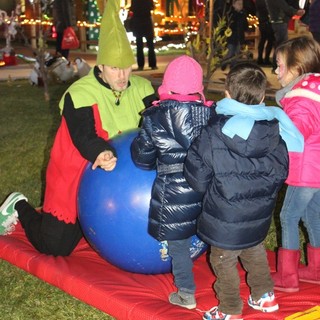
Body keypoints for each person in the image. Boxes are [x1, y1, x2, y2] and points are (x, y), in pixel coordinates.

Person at [0, 0, 156, 255]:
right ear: (102, 66)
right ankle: (19, 205)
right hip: (76, 172)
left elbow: (157, 121)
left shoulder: (143, 88)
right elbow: (84, 135)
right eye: (115, 68)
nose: (122, 76)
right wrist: (101, 153)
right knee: (54, 246)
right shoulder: (80, 93)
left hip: (126, 179)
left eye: (126, 68)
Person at [184, 62, 304, 320]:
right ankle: (264, 296)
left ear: (227, 94)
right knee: (253, 249)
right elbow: (282, 170)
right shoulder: (275, 130)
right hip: (258, 212)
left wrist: (209, 192)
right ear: (262, 96)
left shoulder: (214, 132)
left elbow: (196, 170)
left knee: (223, 259)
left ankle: (229, 309)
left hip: (224, 215)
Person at [130, 55, 215, 310]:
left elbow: (142, 159)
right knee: (214, 233)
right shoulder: (212, 115)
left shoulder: (155, 116)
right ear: (199, 87)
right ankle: (229, 286)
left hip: (173, 191)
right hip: (208, 189)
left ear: (166, 85)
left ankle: (186, 293)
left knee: (177, 245)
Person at [272, 36, 320, 292]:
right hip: (318, 171)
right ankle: (315, 270)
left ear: (297, 68)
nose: (276, 71)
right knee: (314, 217)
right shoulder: (316, 91)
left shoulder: (302, 98)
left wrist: (275, 130)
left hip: (305, 172)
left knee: (288, 216)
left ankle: (288, 276)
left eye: (279, 65)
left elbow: (297, 130)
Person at [264, 0, 305, 72]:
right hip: (280, 22)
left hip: (277, 22)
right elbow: (285, 8)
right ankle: (277, 66)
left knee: (279, 45)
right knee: (281, 46)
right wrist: (297, 12)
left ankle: (276, 66)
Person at [220, 0, 249, 70]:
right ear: (233, 5)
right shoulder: (231, 13)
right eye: (238, 4)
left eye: (241, 4)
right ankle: (224, 62)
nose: (240, 6)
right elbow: (229, 24)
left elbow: (245, 24)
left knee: (236, 52)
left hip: (240, 36)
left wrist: (246, 30)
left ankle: (233, 66)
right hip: (231, 37)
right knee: (230, 52)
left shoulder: (243, 13)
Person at [130, 0, 157, 71]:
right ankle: (153, 64)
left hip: (137, 22)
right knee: (150, 44)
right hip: (146, 21)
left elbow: (132, 8)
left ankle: (140, 65)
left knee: (139, 45)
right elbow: (152, 7)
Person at [255, 0, 275, 65]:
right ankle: (265, 58)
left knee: (263, 40)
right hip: (267, 21)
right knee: (269, 40)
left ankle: (260, 58)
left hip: (262, 21)